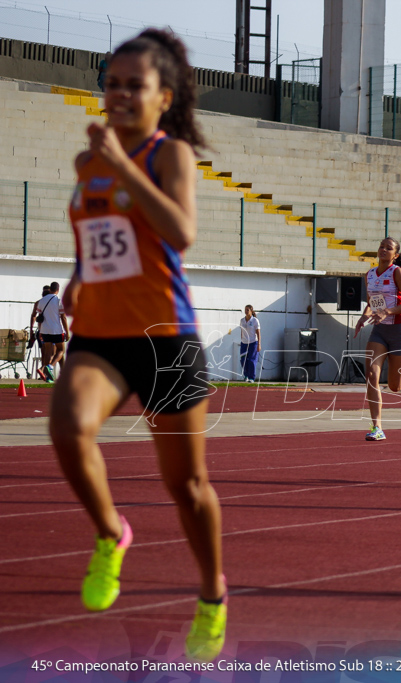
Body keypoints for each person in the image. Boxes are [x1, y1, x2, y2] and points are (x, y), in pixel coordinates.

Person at [49, 29, 227, 662]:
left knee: (189, 486)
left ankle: (211, 594)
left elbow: (179, 232)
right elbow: (97, 232)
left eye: (135, 85)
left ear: (163, 97)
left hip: (165, 339)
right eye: (112, 83)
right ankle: (110, 533)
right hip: (100, 334)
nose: (120, 94)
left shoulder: (168, 154)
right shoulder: (85, 163)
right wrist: (76, 278)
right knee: (69, 428)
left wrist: (123, 165)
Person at [354, 237, 401, 441]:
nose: (383, 249)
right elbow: (372, 303)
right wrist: (363, 317)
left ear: (395, 255)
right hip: (379, 332)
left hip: (400, 331)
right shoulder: (370, 274)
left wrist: (387, 311)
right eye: (381, 246)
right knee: (372, 376)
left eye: (388, 248)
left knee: (395, 387)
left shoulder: (397, 272)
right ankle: (377, 427)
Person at [238, 305, 260, 383]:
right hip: (244, 343)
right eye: (245, 310)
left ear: (251, 311)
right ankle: (246, 375)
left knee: (251, 360)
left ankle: (251, 377)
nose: (246, 311)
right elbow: (242, 331)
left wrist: (259, 344)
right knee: (243, 360)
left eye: (247, 310)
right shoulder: (242, 320)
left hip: (253, 342)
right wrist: (242, 339)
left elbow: (258, 333)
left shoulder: (255, 321)